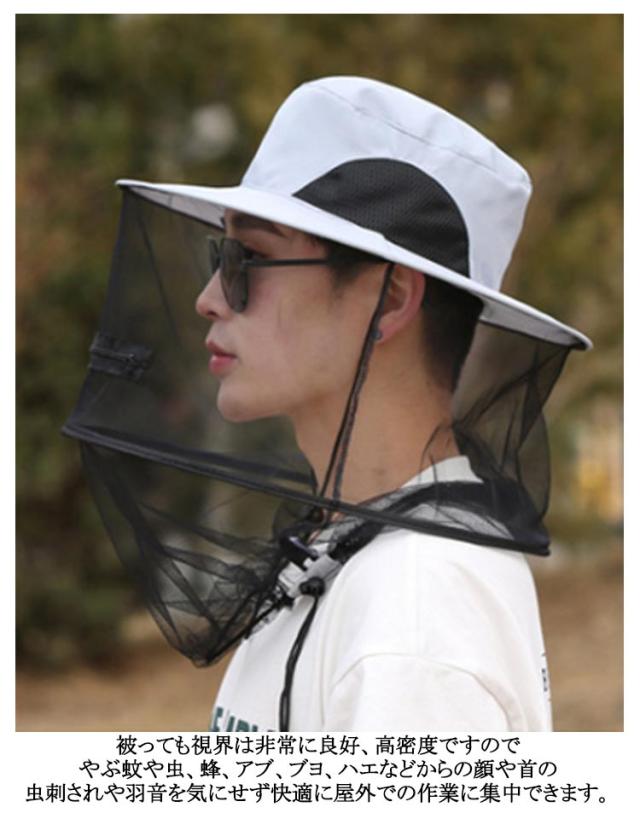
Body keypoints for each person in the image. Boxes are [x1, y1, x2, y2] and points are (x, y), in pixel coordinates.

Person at [64, 76, 590, 732]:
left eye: (249, 258)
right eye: (220, 255)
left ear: (389, 300)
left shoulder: (413, 615)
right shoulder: (350, 550)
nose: (209, 298)